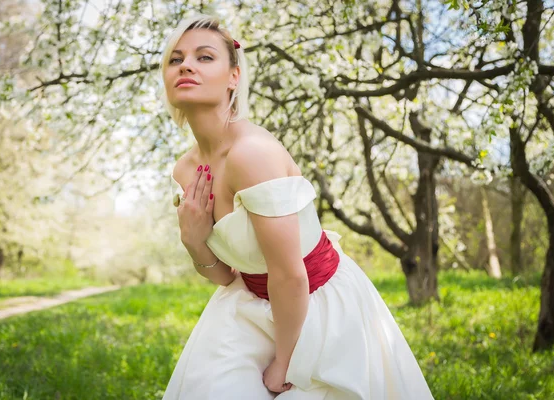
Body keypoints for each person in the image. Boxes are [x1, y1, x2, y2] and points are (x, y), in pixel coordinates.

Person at [161, 13, 434, 400]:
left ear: (233, 77)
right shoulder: (186, 169)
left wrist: (284, 364)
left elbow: (290, 275)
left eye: (204, 57)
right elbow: (225, 276)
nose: (186, 64)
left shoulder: (252, 153)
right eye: (175, 59)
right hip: (249, 303)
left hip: (317, 303)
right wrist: (194, 241)